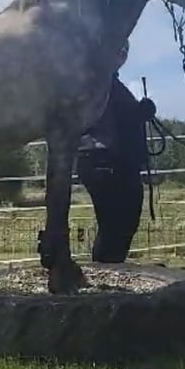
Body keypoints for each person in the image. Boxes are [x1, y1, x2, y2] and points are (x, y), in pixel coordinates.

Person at [74, 40, 157, 264]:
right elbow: (97, 122)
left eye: (124, 51)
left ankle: (108, 269)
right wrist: (136, 114)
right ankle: (106, 271)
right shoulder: (98, 85)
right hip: (106, 163)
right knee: (116, 225)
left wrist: (138, 113)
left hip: (111, 163)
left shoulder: (107, 84)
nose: (122, 55)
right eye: (118, 50)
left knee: (119, 225)